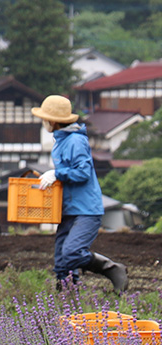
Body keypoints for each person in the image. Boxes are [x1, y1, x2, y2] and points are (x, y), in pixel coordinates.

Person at [32, 94, 128, 292]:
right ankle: (69, 299)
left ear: (53, 121)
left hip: (86, 210)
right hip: (68, 209)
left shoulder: (75, 141)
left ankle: (112, 269)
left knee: (72, 253)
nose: (43, 122)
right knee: (61, 260)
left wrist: (57, 173)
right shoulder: (60, 142)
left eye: (44, 118)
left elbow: (82, 173)